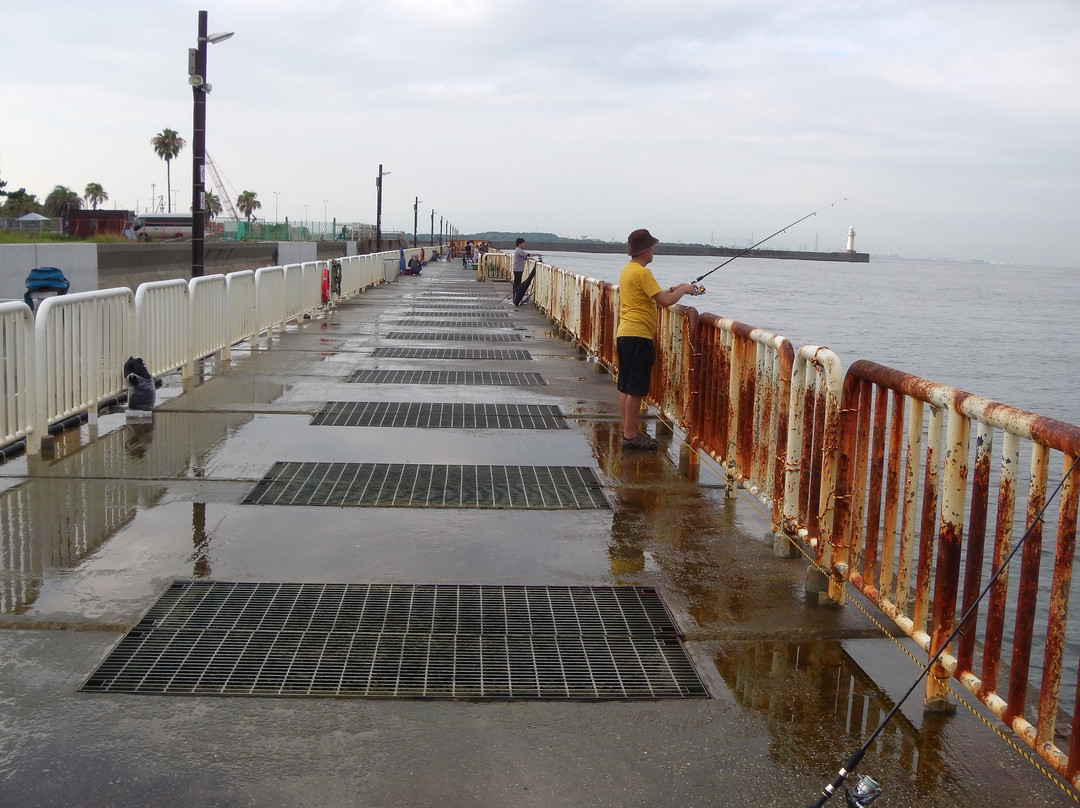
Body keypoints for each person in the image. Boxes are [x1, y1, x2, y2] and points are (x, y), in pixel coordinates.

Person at [616, 228, 701, 450]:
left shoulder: (628, 270)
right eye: (652, 247)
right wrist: (685, 290)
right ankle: (630, 436)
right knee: (635, 389)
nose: (654, 251)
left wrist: (676, 287)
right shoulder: (643, 273)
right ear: (644, 250)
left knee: (626, 387)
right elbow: (665, 301)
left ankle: (628, 431)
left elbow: (656, 295)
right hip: (638, 335)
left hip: (625, 333)